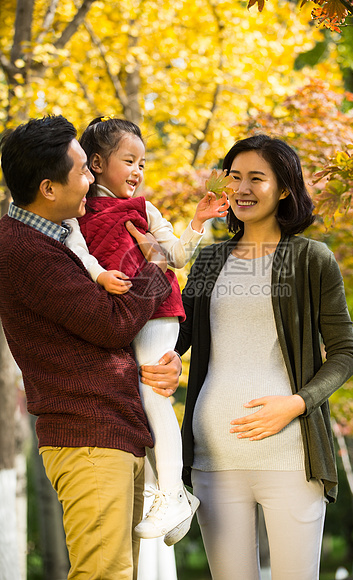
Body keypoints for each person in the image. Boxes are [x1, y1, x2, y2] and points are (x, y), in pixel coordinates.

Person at [0, 115, 182, 580]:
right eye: (83, 171)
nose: (92, 181)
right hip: (87, 439)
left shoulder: (55, 237)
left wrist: (165, 359)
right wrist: (156, 261)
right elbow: (109, 323)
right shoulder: (25, 251)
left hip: (112, 432)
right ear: (47, 188)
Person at [176, 134, 353, 580]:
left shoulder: (311, 258)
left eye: (256, 178)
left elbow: (344, 353)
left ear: (283, 189)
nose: (242, 188)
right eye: (234, 177)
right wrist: (163, 360)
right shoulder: (210, 261)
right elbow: (177, 337)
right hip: (213, 456)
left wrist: (296, 403)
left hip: (290, 456)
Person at [64, 116, 229, 544]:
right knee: (136, 403)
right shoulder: (77, 212)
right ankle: (171, 496)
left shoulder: (145, 209)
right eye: (129, 161)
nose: (137, 171)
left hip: (157, 309)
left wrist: (198, 220)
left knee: (154, 398)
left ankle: (172, 493)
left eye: (143, 163)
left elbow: (175, 256)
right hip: (116, 313)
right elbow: (79, 254)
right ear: (96, 164)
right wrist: (100, 276)